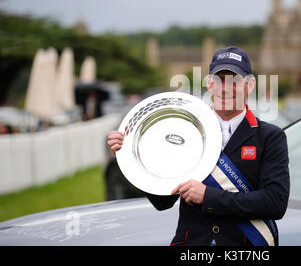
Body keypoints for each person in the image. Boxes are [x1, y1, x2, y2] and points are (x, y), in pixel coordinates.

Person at [107, 46, 290, 246]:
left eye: (235, 81)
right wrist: (129, 156)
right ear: (209, 84)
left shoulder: (270, 137)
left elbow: (275, 203)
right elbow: (163, 202)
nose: (225, 88)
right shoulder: (185, 131)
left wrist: (208, 196)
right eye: (219, 80)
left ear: (250, 85)